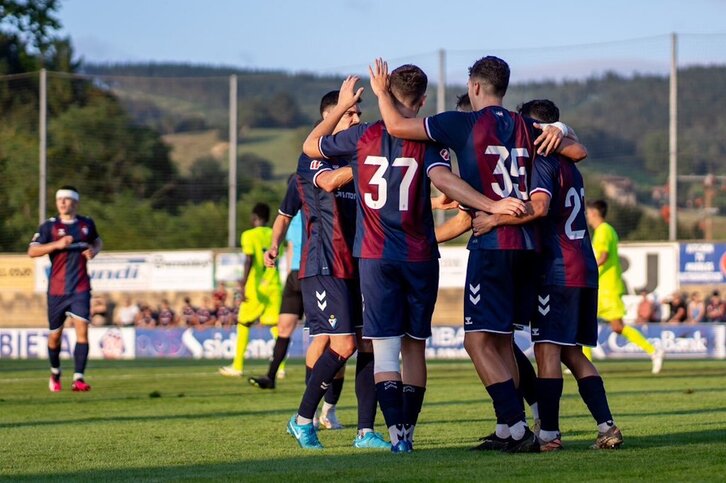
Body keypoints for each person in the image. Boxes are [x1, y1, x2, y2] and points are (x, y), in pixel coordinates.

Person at [369, 56, 586, 452]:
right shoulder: (525, 125)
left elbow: (398, 126)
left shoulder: (463, 123)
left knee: (475, 342)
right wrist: (560, 129)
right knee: (501, 342)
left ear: (474, 87)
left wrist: (382, 92)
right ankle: (508, 431)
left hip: (492, 242)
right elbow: (578, 152)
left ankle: (515, 425)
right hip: (525, 245)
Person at [305, 69, 526, 453]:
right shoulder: (426, 140)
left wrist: (341, 105)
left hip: (375, 256)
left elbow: (312, 146)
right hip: (420, 256)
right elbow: (445, 180)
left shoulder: (363, 134)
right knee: (414, 348)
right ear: (422, 101)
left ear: (384, 93)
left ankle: (396, 439)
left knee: (385, 349)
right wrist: (490, 203)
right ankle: (408, 431)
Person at [473, 99, 623, 450]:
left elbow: (539, 208)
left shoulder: (543, 161)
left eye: (525, 127)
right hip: (582, 266)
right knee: (572, 352)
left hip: (558, 269)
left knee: (547, 351)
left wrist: (494, 217)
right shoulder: (571, 163)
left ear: (539, 131)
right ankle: (607, 426)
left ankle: (549, 434)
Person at [282, 90, 388, 450]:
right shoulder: (312, 160)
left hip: (357, 263)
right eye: (350, 114)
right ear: (332, 118)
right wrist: (365, 164)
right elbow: (328, 183)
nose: (357, 120)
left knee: (366, 343)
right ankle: (302, 420)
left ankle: (365, 432)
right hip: (324, 263)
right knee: (341, 344)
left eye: (359, 114)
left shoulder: (356, 157)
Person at [28, 185, 102, 392]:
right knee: (55, 336)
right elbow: (32, 251)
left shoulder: (86, 224)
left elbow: (97, 241)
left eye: (67, 199)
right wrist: (56, 245)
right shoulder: (49, 227)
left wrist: (94, 251)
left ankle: (78, 378)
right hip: (57, 291)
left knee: (82, 332)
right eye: (59, 199)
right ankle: (55, 371)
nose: (62, 202)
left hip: (80, 287)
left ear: (75, 202)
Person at [585, 199, 664, 373]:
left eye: (588, 213)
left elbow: (603, 256)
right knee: (590, 322)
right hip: (607, 287)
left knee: (609, 325)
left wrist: (587, 269)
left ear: (594, 214)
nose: (587, 217)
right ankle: (585, 363)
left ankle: (653, 351)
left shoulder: (603, 231)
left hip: (607, 288)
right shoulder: (609, 230)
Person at [248, 176, 306, 390]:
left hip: (315, 273)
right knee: (283, 327)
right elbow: (290, 247)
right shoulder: (289, 217)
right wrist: (290, 274)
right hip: (294, 276)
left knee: (323, 334)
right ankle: (270, 377)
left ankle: (323, 389)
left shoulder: (316, 210)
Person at [220, 203, 282, 376]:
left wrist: (242, 284)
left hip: (255, 285)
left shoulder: (248, 235)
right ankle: (280, 369)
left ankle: (237, 366)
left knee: (243, 323)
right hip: (274, 284)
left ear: (254, 217)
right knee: (277, 328)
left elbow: (249, 259)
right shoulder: (275, 234)